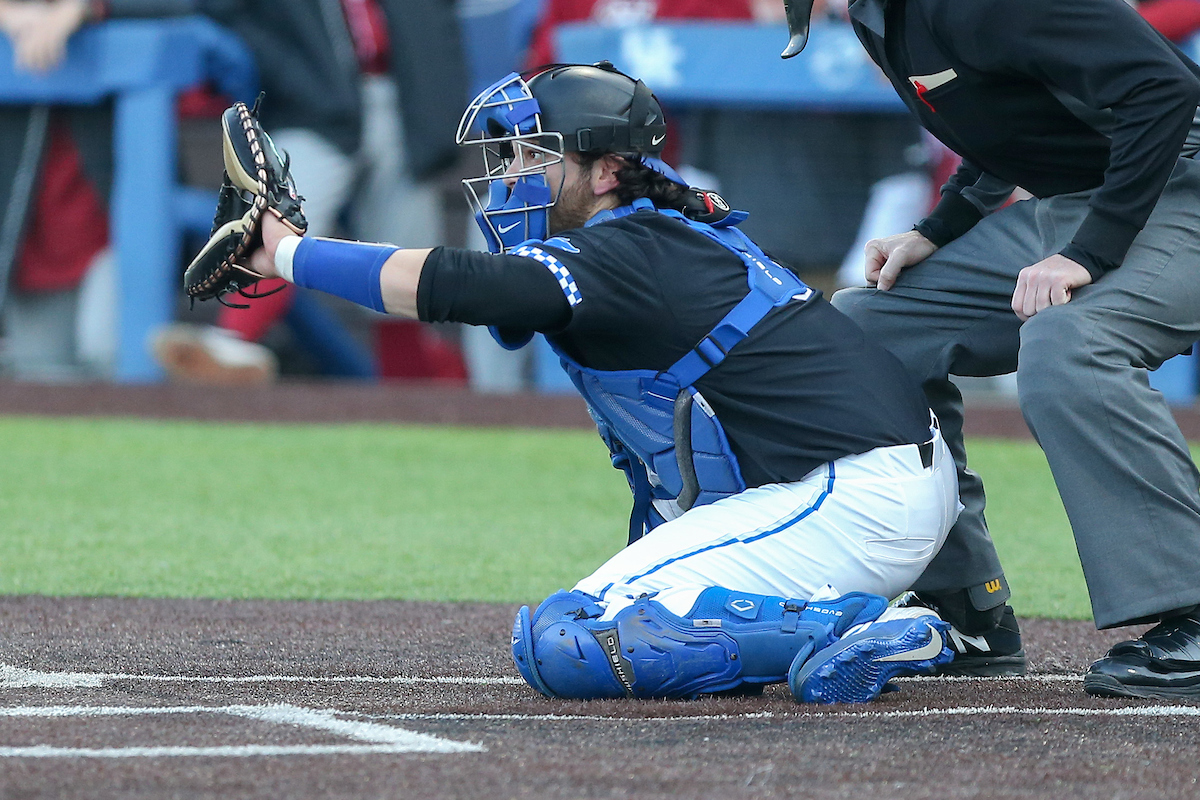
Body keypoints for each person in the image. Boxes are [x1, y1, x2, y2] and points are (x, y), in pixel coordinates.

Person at [228, 63, 971, 702]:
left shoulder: (632, 245)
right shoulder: (644, 235)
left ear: (608, 170)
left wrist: (289, 252)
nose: (512, 173)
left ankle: (866, 628)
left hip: (853, 495)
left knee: (569, 641)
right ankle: (837, 624)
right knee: (616, 632)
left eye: (534, 153)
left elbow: (457, 285)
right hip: (849, 490)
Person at [780, 0, 1200, 698]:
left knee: (1071, 342)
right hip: (1082, 201)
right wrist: (939, 228)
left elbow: (1167, 91)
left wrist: (1088, 254)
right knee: (867, 326)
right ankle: (966, 607)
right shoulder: (875, 12)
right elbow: (1002, 123)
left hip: (1180, 186)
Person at [153, 0, 467, 384]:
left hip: (403, 103)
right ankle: (231, 343)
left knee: (405, 254)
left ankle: (412, 395)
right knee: (277, 212)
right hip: (314, 108)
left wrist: (439, 106)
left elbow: (433, 26)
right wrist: (289, 76)